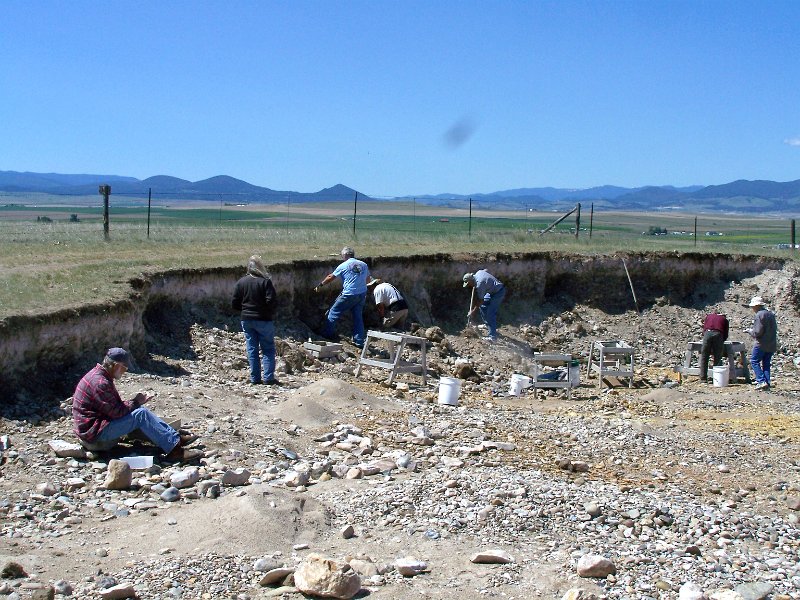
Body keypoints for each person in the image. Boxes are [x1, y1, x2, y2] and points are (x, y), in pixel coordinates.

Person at [72, 347, 201, 462]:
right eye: (124, 368)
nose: (125, 371)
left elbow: (112, 407)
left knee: (139, 410)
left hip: (94, 427)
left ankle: (174, 438)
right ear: (116, 366)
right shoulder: (100, 383)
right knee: (141, 414)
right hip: (94, 434)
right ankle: (175, 451)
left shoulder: (98, 376)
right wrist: (135, 402)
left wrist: (135, 403)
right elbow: (117, 413)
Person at [232, 255, 279, 385]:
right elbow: (271, 301)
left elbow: (235, 303)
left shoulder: (241, 282)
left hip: (246, 319)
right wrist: (268, 311)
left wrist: (244, 309)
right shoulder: (265, 282)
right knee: (268, 349)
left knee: (252, 349)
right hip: (263, 319)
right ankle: (268, 378)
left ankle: (255, 378)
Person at [314, 246, 370, 347]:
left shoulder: (343, 265)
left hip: (349, 293)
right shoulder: (363, 265)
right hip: (362, 294)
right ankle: (359, 341)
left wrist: (321, 285)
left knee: (333, 311)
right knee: (358, 316)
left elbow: (331, 277)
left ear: (345, 255)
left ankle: (327, 334)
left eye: (342, 256)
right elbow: (368, 280)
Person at [463, 269, 506, 342]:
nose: (469, 286)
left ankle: (492, 337)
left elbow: (480, 300)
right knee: (483, 306)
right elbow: (486, 270)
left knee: (490, 313)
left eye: (468, 284)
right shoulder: (479, 272)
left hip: (498, 292)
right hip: (490, 291)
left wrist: (472, 312)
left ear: (470, 281)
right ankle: (487, 324)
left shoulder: (480, 284)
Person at [747, 295, 778, 391]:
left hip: (761, 343)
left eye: (753, 306)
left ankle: (761, 381)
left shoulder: (759, 315)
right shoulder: (771, 314)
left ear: (756, 306)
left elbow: (757, 332)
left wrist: (749, 331)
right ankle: (767, 382)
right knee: (766, 363)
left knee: (754, 361)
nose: (752, 308)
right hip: (771, 343)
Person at [699, 310, 729, 382]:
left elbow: (704, 330)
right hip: (718, 334)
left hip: (707, 333)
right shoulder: (724, 319)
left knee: (704, 356)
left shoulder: (708, 317)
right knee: (717, 356)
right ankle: (716, 378)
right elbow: (725, 334)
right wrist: (721, 342)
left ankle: (703, 378)